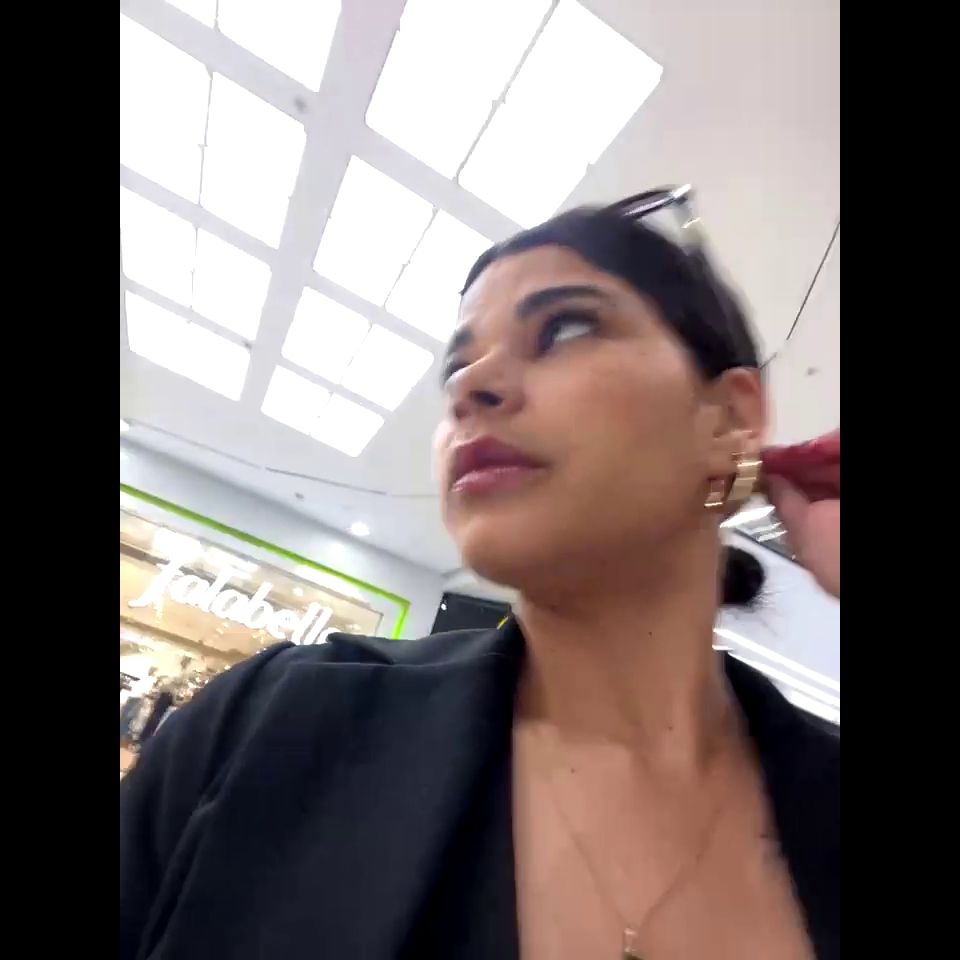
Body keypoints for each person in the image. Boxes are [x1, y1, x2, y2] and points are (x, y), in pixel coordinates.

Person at [120, 187, 839, 960]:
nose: (469, 388)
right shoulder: (270, 725)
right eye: (458, 366)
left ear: (729, 418)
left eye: (565, 328)